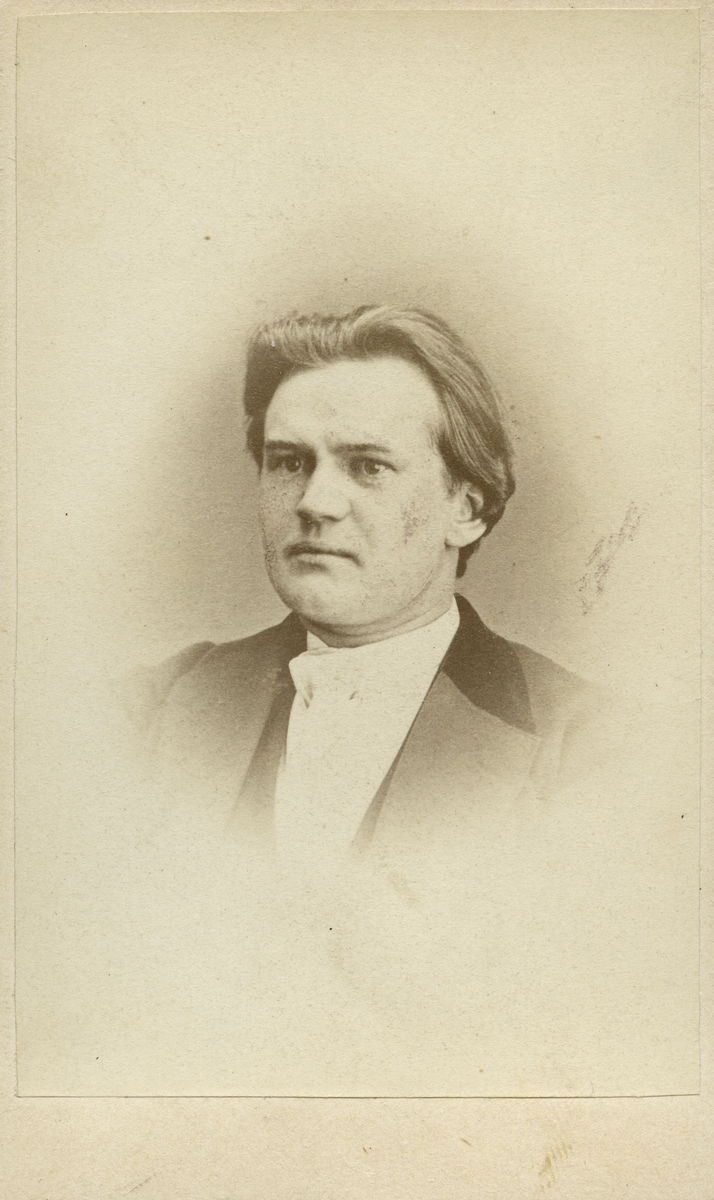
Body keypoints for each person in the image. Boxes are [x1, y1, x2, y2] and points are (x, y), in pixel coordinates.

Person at [117, 305, 696, 1095]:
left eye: (367, 466)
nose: (315, 501)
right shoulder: (148, 712)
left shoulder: (601, 751)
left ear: (468, 508)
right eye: (288, 462)